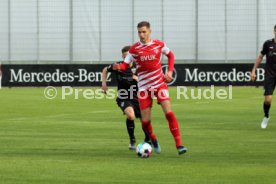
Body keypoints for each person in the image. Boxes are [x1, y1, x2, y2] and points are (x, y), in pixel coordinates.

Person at [112, 21, 187, 155]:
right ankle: (153, 138)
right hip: (144, 88)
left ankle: (179, 144)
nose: (141, 34)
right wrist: (119, 67)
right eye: (139, 32)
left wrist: (169, 71)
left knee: (169, 113)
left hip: (159, 84)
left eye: (144, 32)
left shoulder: (158, 44)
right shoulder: (134, 49)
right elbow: (125, 64)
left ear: (149, 31)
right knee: (145, 122)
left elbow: (170, 55)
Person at [102, 46, 150, 150]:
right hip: (124, 97)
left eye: (128, 57)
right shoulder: (118, 65)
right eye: (124, 57)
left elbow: (147, 80)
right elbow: (105, 69)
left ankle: (147, 139)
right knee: (131, 116)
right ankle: (132, 139)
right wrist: (104, 83)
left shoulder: (140, 67)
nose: (126, 60)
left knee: (145, 121)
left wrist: (137, 78)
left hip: (138, 97)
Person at [251, 25, 276, 129]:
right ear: (274, 31)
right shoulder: (268, 43)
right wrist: (253, 70)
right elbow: (260, 57)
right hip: (270, 75)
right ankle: (266, 116)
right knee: (268, 100)